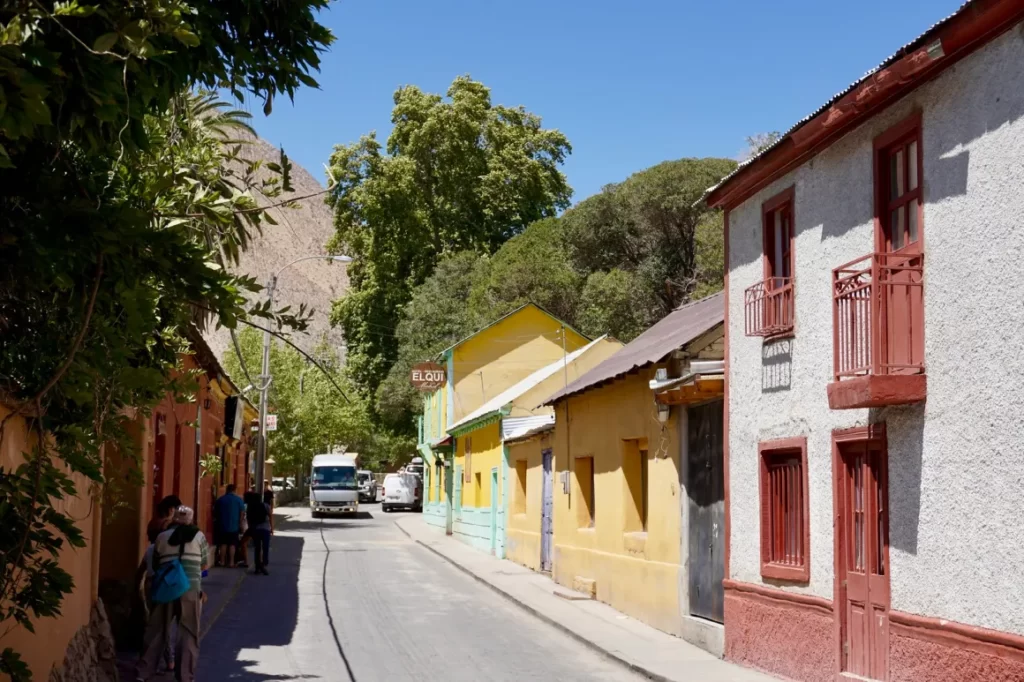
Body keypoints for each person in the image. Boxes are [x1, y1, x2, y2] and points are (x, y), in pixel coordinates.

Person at [136, 506, 208, 682]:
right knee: (189, 633)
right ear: (191, 519)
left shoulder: (161, 537)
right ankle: (185, 676)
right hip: (190, 589)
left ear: (174, 518)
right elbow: (204, 565)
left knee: (156, 631)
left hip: (166, 588)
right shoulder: (199, 537)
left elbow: (157, 564)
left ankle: (144, 673)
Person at [212, 483, 245, 568]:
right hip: (234, 525)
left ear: (227, 490)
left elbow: (215, 511)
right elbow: (242, 513)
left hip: (222, 525)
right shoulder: (239, 500)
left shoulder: (221, 499)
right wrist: (240, 523)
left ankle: (222, 561)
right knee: (232, 544)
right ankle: (231, 562)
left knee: (223, 544)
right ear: (234, 490)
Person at [245, 491, 272, 576]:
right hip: (266, 529)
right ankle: (264, 563)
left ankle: (257, 566)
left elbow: (249, 519)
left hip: (256, 529)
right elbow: (270, 516)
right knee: (265, 547)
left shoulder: (250, 506)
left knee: (257, 548)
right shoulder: (265, 505)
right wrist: (272, 528)